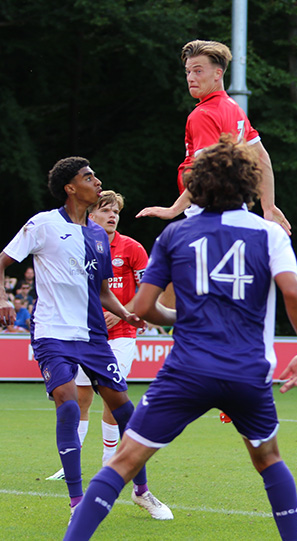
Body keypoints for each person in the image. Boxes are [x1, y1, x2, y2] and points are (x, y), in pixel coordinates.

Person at [64, 138, 297, 541]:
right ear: (250, 184)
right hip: (247, 371)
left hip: (188, 371)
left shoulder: (174, 235)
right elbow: (293, 293)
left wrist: (178, 316)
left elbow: (146, 307)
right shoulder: (269, 234)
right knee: (269, 459)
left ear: (195, 186)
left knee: (123, 462)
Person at [0, 157, 171, 523]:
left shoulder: (96, 237)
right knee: (67, 404)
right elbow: (2, 261)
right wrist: (2, 297)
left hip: (94, 337)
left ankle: (141, 490)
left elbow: (103, 291)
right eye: (89, 177)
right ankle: (78, 501)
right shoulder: (42, 224)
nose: (97, 181)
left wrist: (126, 314)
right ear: (70, 188)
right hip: (52, 333)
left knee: (127, 412)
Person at [136, 40, 290, 234]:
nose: (190, 77)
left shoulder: (203, 114)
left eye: (198, 71)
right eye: (188, 71)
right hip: (234, 209)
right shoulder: (235, 109)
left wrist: (173, 210)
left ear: (218, 73)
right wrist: (269, 206)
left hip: (207, 212)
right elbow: (262, 157)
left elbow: (206, 172)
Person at [46, 191, 149, 481]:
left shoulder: (132, 248)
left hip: (122, 334)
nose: (113, 215)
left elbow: (148, 288)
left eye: (116, 211)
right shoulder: (77, 244)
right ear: (91, 215)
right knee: (81, 398)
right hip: (85, 335)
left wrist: (121, 311)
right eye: (106, 210)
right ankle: (71, 464)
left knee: (112, 394)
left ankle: (109, 458)